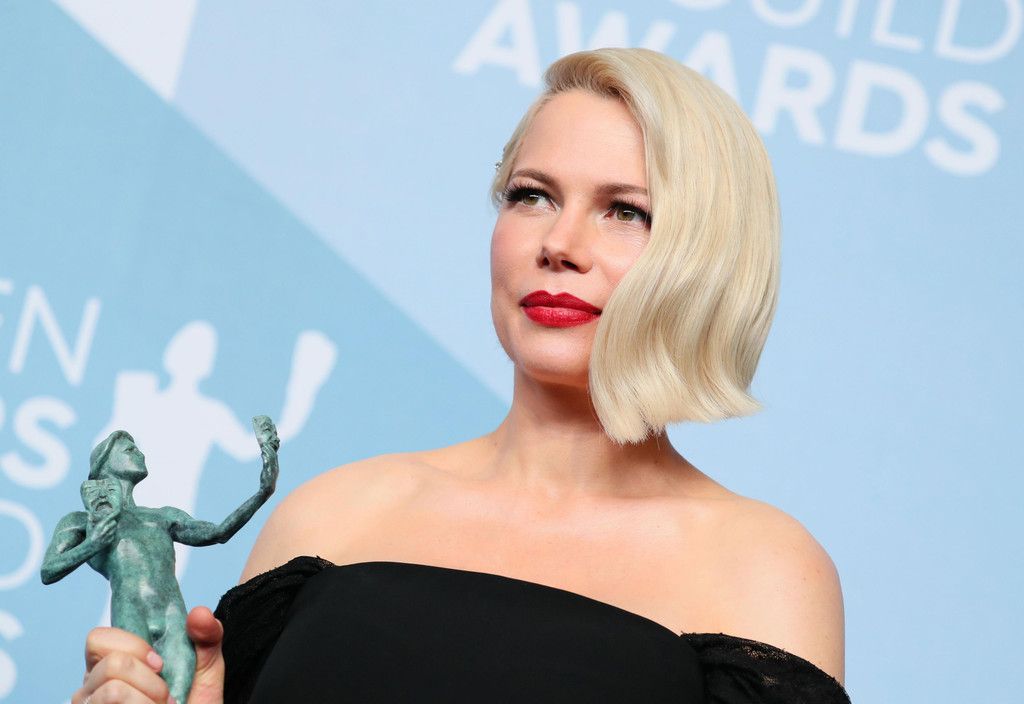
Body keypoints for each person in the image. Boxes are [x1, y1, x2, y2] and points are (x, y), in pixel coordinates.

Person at [73, 48, 850, 703]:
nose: (559, 243)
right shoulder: (333, 517)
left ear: (706, 258)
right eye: (532, 196)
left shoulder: (763, 567)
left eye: (625, 210)